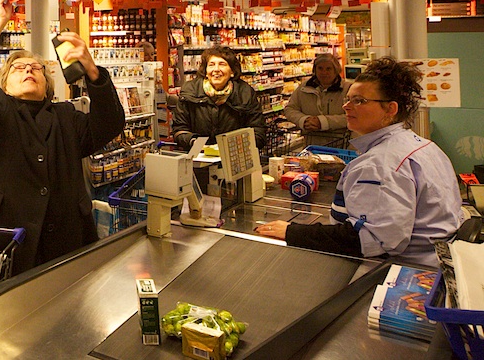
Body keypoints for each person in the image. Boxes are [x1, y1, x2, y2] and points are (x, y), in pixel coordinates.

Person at [0, 0, 125, 275]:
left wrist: (92, 71)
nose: (29, 71)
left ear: (47, 85)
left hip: (63, 246)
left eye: (36, 69)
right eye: (18, 68)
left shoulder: (66, 117)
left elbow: (110, 123)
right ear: (4, 84)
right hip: (2, 248)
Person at [256, 58, 462, 268]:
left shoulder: (380, 164)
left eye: (359, 101)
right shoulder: (422, 145)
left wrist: (292, 231)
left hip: (406, 268)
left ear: (390, 109)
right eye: (348, 99)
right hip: (437, 259)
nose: (346, 106)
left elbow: (370, 241)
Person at [173, 45, 266, 152]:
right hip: (198, 157)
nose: (216, 69)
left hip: (234, 157)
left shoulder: (245, 93)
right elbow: (179, 129)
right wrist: (196, 144)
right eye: (211, 65)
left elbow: (258, 132)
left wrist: (233, 146)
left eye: (222, 64)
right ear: (206, 71)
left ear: (232, 72)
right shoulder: (189, 91)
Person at [283, 53, 351, 147]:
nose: (324, 72)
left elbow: (354, 116)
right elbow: (290, 109)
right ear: (315, 70)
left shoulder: (348, 89)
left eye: (328, 69)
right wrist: (304, 120)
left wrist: (323, 122)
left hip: (340, 145)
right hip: (311, 144)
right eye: (320, 68)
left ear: (336, 70)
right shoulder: (304, 88)